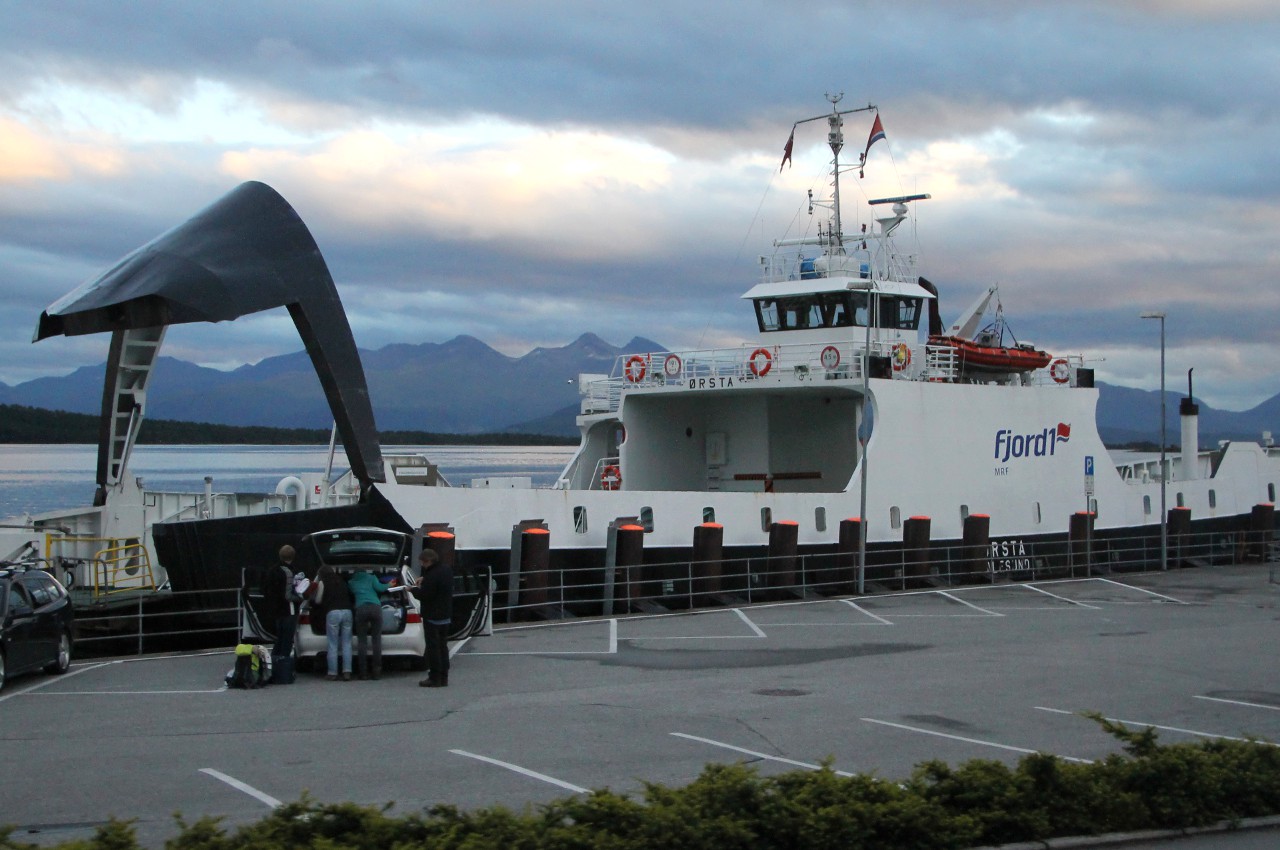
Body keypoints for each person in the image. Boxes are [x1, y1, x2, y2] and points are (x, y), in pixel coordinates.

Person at [260, 544, 301, 682]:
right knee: (286, 641)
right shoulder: (288, 572)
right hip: (288, 609)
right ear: (293, 556)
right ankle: (282, 669)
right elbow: (288, 595)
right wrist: (301, 597)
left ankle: (270, 666)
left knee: (278, 639)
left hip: (276, 611)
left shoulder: (271, 570)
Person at [414, 548, 454, 688]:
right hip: (446, 614)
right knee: (443, 646)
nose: (422, 566)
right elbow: (438, 580)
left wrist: (412, 590)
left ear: (428, 561)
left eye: (422, 563)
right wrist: (425, 578)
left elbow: (425, 595)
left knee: (433, 647)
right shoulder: (446, 570)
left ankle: (434, 677)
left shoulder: (431, 575)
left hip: (432, 616)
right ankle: (444, 677)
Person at [311, 563, 354, 681]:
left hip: (333, 613)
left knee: (333, 643)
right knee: (347, 643)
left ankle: (332, 672)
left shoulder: (323, 582)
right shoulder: (342, 581)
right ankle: (347, 672)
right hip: (347, 612)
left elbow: (318, 600)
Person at [347, 567, 386, 680]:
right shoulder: (372, 577)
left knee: (362, 641)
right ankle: (376, 672)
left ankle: (363, 673)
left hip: (361, 608)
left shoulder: (351, 582)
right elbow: (380, 588)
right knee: (376, 640)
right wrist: (389, 585)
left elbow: (351, 594)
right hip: (375, 607)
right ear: (365, 572)